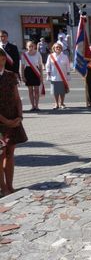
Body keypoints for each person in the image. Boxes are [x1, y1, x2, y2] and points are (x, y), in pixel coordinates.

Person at [0, 48, 27, 197]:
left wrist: (19, 117)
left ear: (4, 59)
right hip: (1, 123)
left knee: (10, 153)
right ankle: (2, 188)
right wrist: (6, 121)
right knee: (1, 154)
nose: (0, 61)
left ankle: (10, 186)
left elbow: (17, 98)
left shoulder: (10, 76)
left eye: (1, 58)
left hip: (13, 120)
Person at [20, 41, 44, 111]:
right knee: (30, 91)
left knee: (36, 90)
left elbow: (40, 65)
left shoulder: (38, 54)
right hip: (28, 72)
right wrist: (23, 76)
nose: (31, 47)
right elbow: (22, 66)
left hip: (36, 72)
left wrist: (41, 76)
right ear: (27, 47)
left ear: (34, 46)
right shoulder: (24, 55)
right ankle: (32, 106)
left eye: (32, 46)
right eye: (29, 46)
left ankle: (37, 106)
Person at [45, 42, 71, 109]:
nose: (58, 48)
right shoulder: (50, 56)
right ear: (54, 48)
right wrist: (48, 74)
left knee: (62, 91)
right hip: (54, 76)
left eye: (59, 47)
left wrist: (68, 74)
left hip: (63, 76)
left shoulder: (65, 56)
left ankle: (62, 103)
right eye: (56, 47)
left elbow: (68, 66)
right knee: (55, 91)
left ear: (61, 49)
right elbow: (48, 66)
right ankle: (56, 104)